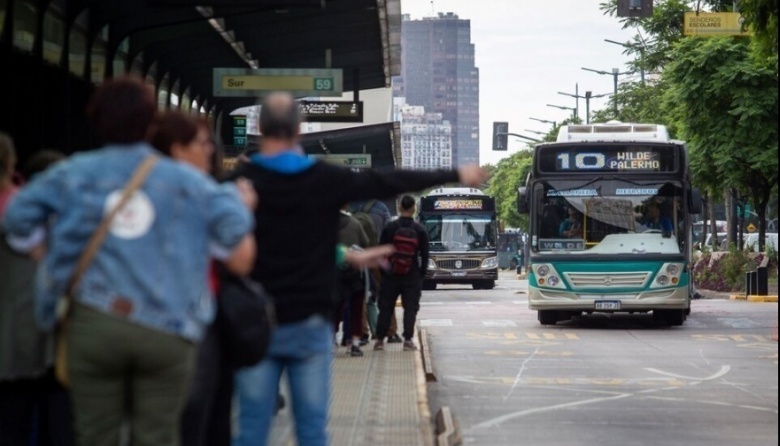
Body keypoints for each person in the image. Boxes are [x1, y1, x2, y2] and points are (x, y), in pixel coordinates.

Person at [2, 75, 256, 446]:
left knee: (93, 435)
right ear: (150, 123)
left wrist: (45, 250)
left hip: (93, 324)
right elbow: (233, 228)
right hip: (168, 328)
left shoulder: (72, 172)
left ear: (95, 119)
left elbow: (17, 218)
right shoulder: (186, 181)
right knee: (158, 436)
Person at [228, 91, 486, 446]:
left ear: (260, 127)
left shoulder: (239, 182)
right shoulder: (326, 179)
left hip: (255, 322)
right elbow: (390, 180)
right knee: (312, 429)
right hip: (310, 320)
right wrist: (456, 173)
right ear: (299, 129)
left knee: (251, 428)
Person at [148, 110, 257, 446]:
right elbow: (240, 261)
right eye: (203, 143)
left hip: (138, 320)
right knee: (202, 420)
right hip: (194, 324)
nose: (210, 150)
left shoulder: (134, 188)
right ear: (178, 148)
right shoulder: (209, 194)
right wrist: (245, 211)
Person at [372, 195, 429, 352]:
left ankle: (379, 340)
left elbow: (381, 251)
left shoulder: (390, 228)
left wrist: (385, 271)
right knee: (410, 308)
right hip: (412, 275)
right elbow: (425, 256)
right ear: (413, 209)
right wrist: (420, 274)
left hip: (391, 275)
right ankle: (408, 340)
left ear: (399, 208)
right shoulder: (419, 230)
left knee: (386, 307)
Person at [334, 205, 370, 357]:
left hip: (334, 274)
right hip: (355, 273)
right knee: (356, 310)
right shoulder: (355, 224)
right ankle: (354, 344)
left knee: (334, 309)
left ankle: (331, 342)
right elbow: (365, 242)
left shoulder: (326, 223)